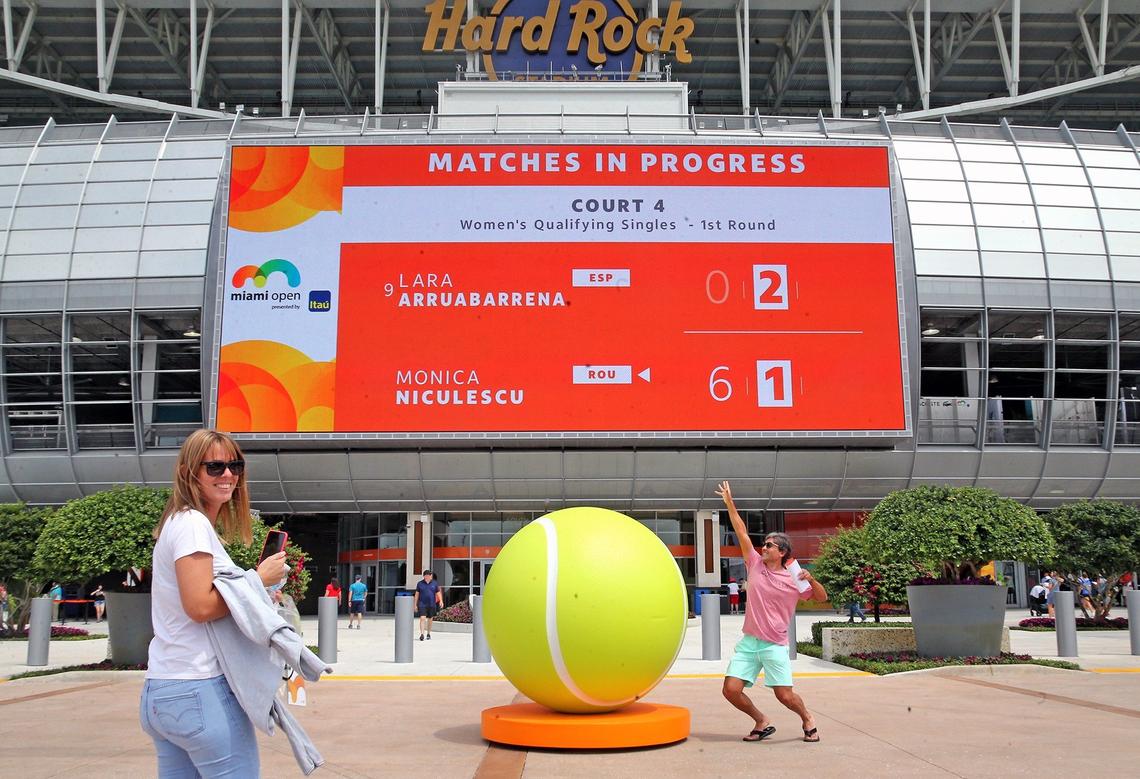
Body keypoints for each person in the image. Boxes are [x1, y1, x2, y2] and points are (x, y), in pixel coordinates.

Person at [140, 429, 287, 777]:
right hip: (199, 687)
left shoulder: (180, 523)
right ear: (190, 472)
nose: (228, 475)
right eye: (215, 467)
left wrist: (256, 591)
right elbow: (200, 607)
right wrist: (256, 581)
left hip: (164, 689)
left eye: (235, 466)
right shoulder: (192, 525)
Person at [716, 480, 828, 743]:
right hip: (749, 642)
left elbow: (822, 598)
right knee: (731, 690)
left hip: (774, 644)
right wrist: (730, 503)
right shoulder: (754, 564)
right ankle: (761, 721)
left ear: (782, 552)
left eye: (769, 545)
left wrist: (812, 580)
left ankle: (807, 718)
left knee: (784, 695)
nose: (763, 548)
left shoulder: (795, 577)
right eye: (764, 544)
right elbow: (741, 531)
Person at [415, 569, 443, 641]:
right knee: (422, 618)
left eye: (430, 575)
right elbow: (417, 594)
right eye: (427, 575)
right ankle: (422, 634)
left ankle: (428, 633)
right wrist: (415, 604)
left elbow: (438, 593)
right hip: (422, 604)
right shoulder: (420, 584)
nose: (429, 576)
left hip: (431, 604)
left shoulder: (434, 583)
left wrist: (441, 601)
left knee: (430, 619)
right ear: (424, 576)